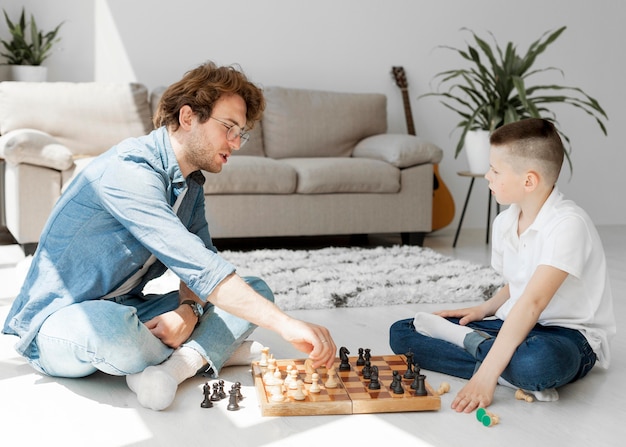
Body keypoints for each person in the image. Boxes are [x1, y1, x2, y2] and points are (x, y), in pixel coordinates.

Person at [2, 61, 337, 411]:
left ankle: (171, 370)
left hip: (129, 309)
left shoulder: (189, 185)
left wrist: (188, 311)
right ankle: (204, 353)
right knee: (111, 332)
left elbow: (202, 264)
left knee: (255, 289)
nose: (236, 143)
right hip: (63, 322)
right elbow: (203, 270)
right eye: (230, 128)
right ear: (189, 117)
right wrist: (285, 325)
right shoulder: (129, 171)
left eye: (242, 132)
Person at [389, 118, 615, 413]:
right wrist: (486, 308)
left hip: (566, 336)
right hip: (511, 323)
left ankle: (485, 356)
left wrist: (486, 376)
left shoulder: (568, 224)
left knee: (538, 363)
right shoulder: (506, 221)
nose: (487, 176)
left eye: (495, 170)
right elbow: (518, 284)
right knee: (403, 331)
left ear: (529, 181)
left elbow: (533, 302)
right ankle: (504, 366)